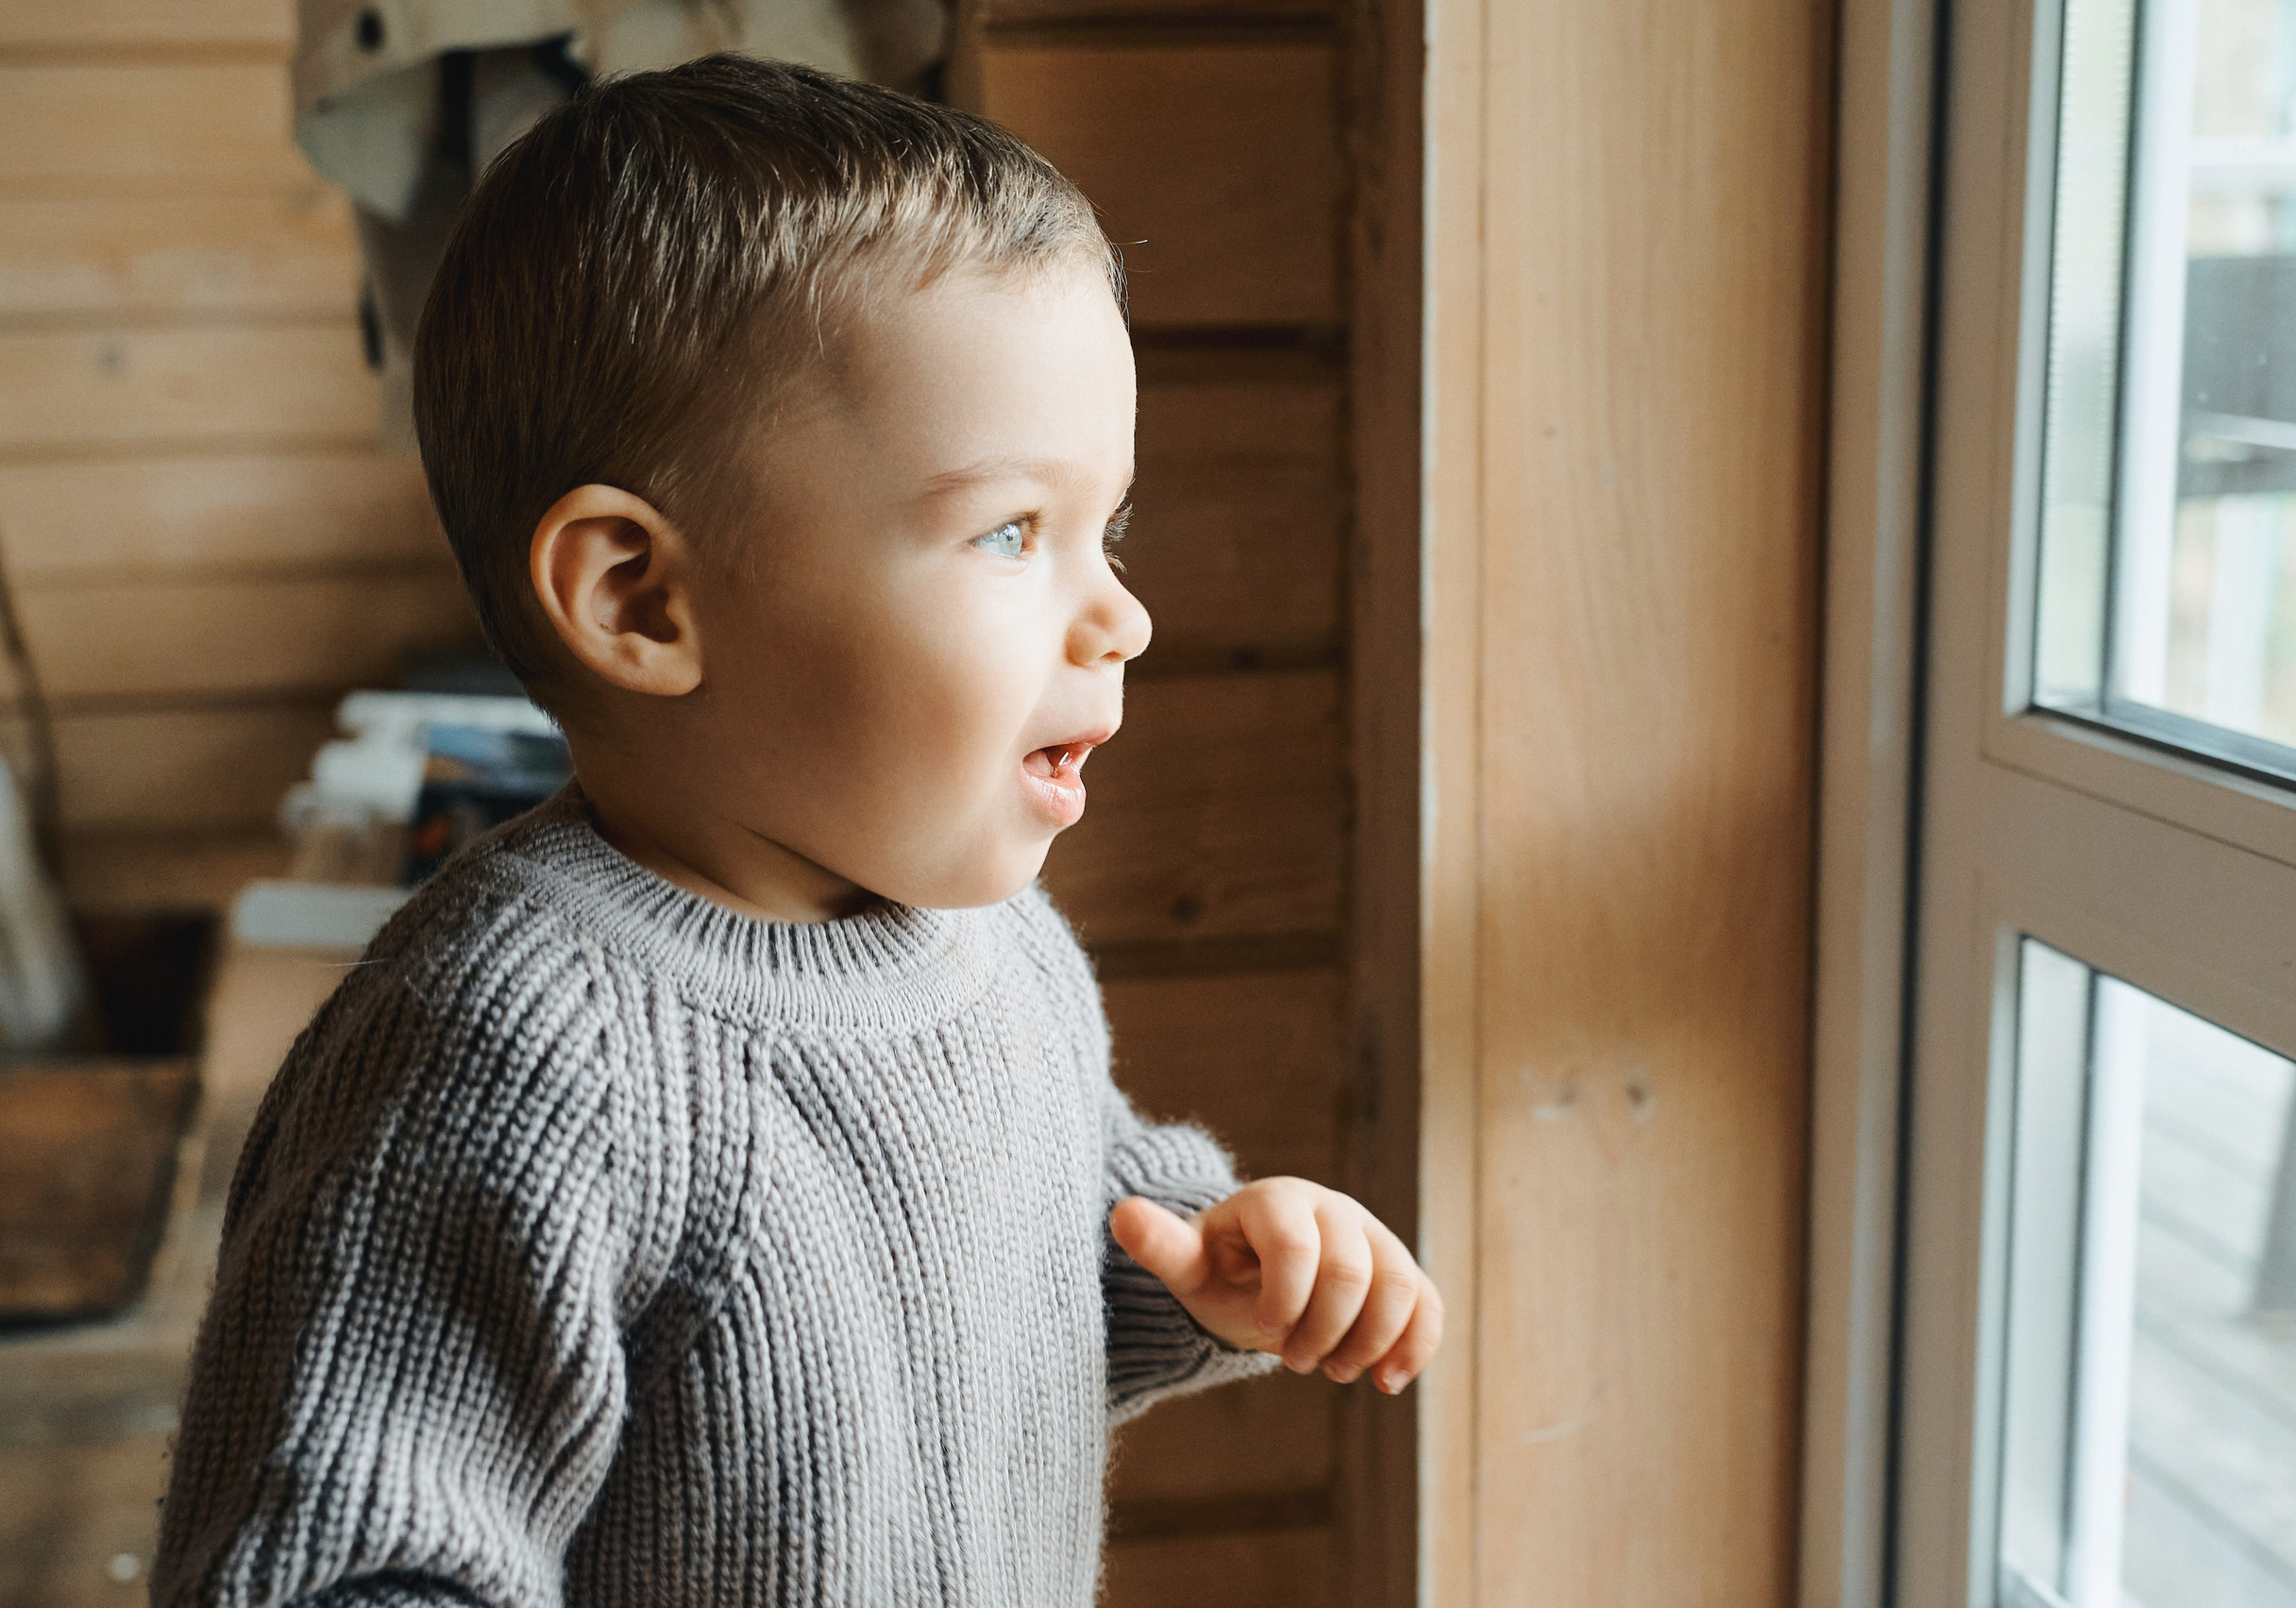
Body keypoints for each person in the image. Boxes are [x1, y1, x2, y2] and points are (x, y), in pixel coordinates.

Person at [152, 52, 1441, 1608]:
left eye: (1111, 525)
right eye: (1013, 532)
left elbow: (1018, 1273)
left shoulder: (996, 952)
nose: (1123, 615)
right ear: (642, 598)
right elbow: (335, 1570)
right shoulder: (513, 1057)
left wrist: (1214, 1270)